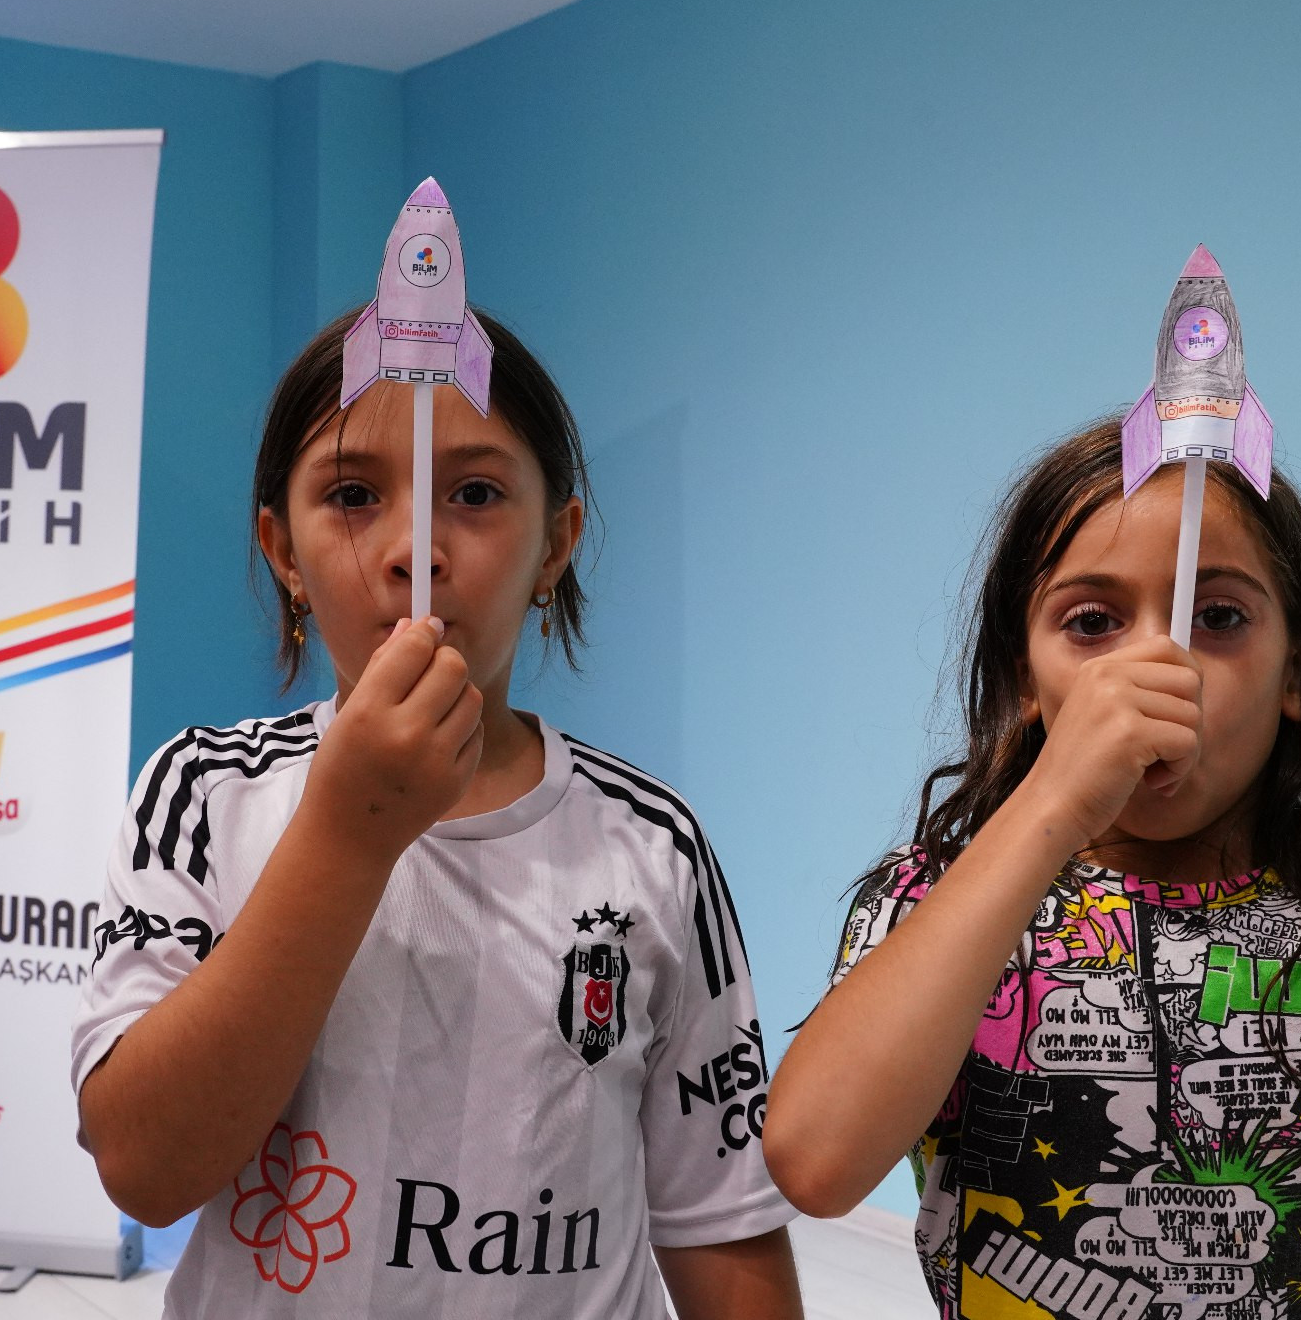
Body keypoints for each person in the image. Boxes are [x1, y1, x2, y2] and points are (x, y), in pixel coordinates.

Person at [71, 308, 801, 1319]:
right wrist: (347, 833)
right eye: (353, 495)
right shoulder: (205, 793)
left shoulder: (650, 845)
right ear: (283, 551)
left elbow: (720, 1215)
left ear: (555, 545)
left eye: (476, 493)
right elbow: (145, 1166)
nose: (415, 550)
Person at [764, 417, 1301, 1320]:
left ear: (1297, 670)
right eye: (1092, 624)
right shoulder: (932, 906)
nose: (1153, 668)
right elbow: (814, 1164)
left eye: (1217, 618)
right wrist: (1054, 801)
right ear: (1023, 679)